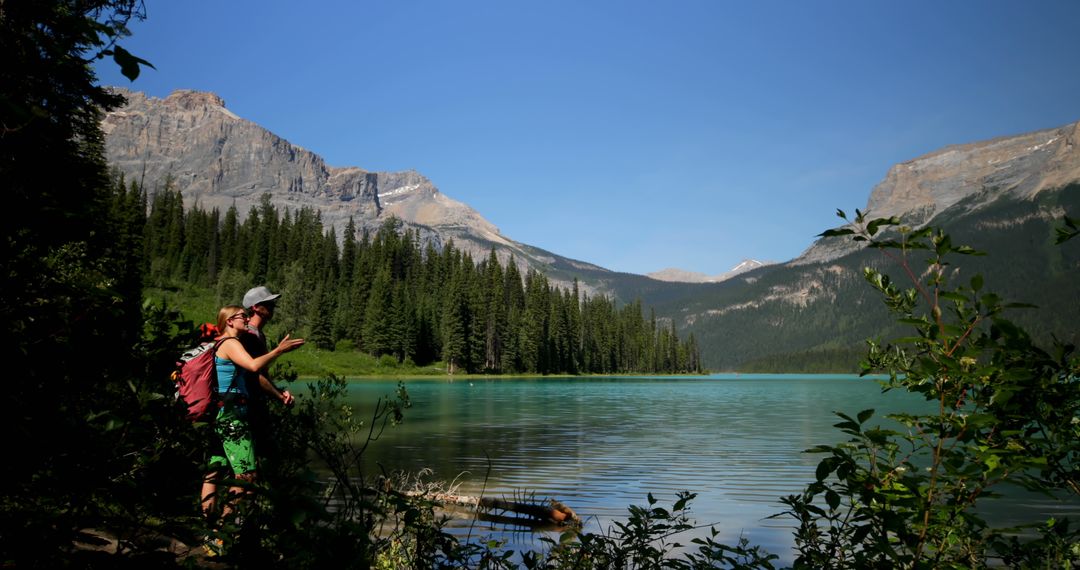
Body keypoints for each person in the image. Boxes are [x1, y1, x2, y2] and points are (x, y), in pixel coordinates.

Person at [200, 305, 304, 530]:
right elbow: (254, 365)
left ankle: (208, 529)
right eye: (242, 316)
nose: (247, 319)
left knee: (214, 471)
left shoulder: (218, 342)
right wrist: (278, 350)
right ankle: (222, 532)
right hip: (231, 416)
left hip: (218, 414)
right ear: (229, 321)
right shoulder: (230, 343)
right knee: (246, 476)